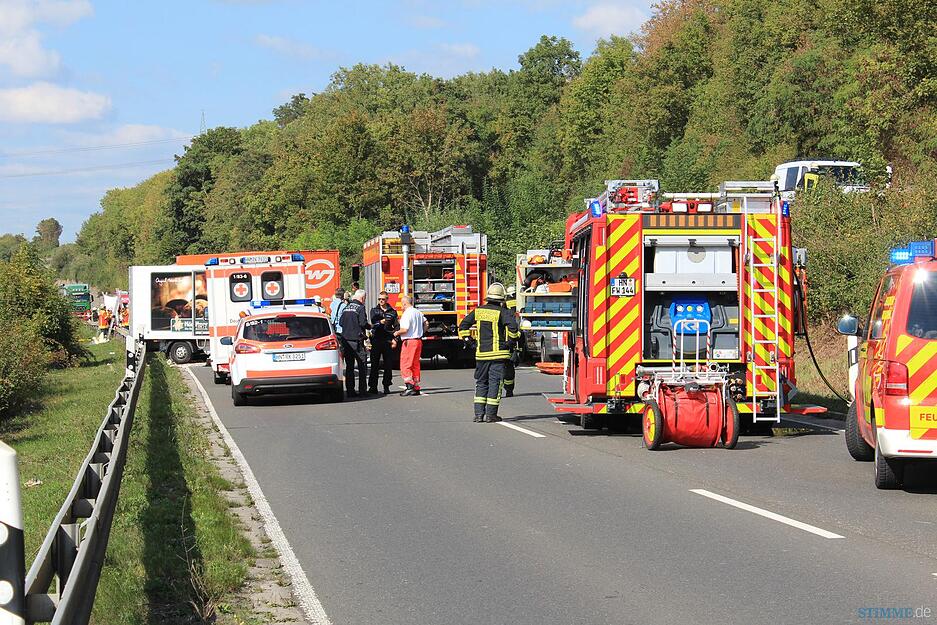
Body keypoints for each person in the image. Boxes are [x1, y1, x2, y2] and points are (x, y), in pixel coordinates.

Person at [458, 283, 519, 422]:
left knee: (481, 383)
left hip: (481, 355)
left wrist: (470, 341)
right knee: (495, 384)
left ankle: (478, 415)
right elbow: (513, 328)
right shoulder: (502, 312)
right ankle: (491, 415)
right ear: (502, 299)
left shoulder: (478, 311)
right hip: (498, 355)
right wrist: (510, 342)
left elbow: (463, 326)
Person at [393, 295, 427, 396]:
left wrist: (396, 333)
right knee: (415, 364)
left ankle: (409, 386)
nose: (401, 306)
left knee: (405, 364)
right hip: (418, 340)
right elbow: (426, 323)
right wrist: (421, 332)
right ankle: (416, 386)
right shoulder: (418, 312)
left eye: (401, 304)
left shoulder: (407, 314)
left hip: (409, 341)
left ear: (405, 303)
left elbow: (405, 329)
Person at [338, 289, 370, 396]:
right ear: (362, 298)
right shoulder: (360, 308)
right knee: (362, 365)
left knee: (349, 367)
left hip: (346, 341)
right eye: (364, 299)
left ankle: (350, 391)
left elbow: (341, 323)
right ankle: (362, 390)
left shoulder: (346, 307)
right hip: (357, 341)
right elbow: (363, 323)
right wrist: (370, 326)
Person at [368, 291, 399, 395]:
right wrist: (379, 322)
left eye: (383, 299)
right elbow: (372, 323)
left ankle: (386, 386)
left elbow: (397, 326)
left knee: (388, 365)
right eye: (379, 299)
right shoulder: (374, 310)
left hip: (387, 340)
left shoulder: (392, 312)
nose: (381, 301)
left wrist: (395, 339)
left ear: (387, 299)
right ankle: (373, 387)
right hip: (376, 340)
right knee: (374, 365)